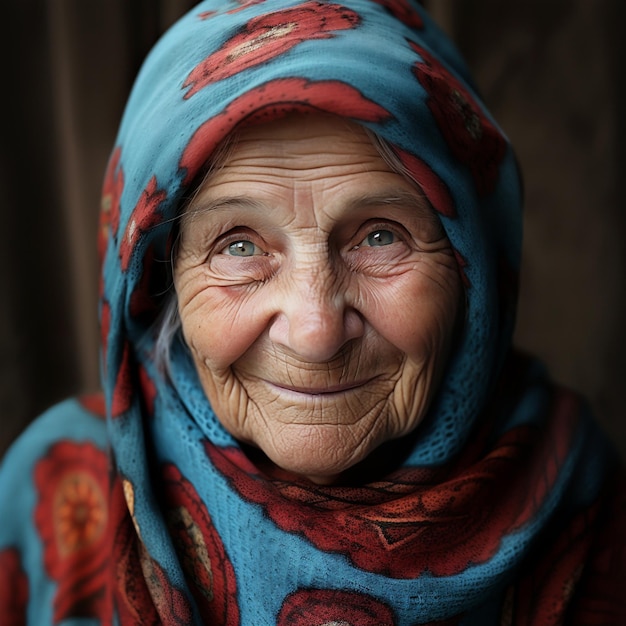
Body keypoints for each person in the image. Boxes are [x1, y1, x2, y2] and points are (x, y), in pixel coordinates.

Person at [1, 0, 624, 623]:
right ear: (156, 280)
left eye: (380, 236)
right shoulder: (54, 497)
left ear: (474, 268)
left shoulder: (583, 500)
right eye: (239, 245)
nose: (316, 331)